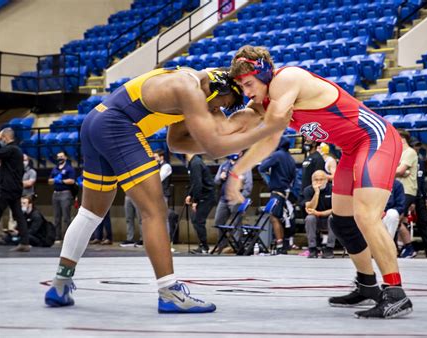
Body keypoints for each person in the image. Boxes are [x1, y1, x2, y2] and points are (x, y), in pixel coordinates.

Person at [44, 67, 272, 313]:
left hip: (94, 122)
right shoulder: (189, 90)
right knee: (155, 211)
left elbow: (176, 142)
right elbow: (216, 146)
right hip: (118, 125)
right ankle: (169, 292)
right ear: (218, 90)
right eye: (220, 105)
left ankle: (60, 284)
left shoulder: (193, 84)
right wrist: (263, 127)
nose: (217, 110)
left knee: (90, 214)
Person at [225, 45, 412, 318]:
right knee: (342, 222)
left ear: (265, 73)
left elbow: (269, 131)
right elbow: (245, 125)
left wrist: (238, 165)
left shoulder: (286, 79)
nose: (247, 92)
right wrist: (214, 121)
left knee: (366, 216)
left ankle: (396, 293)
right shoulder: (267, 101)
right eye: (241, 87)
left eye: (249, 84)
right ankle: (367, 285)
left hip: (375, 138)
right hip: (351, 149)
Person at [258, 137, 296, 254]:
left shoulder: (277, 155)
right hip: (287, 190)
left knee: (274, 217)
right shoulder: (291, 158)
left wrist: (269, 179)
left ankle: (279, 244)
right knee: (285, 218)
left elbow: (261, 167)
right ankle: (285, 243)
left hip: (277, 190)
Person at [213, 153, 253, 253]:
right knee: (218, 221)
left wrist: (241, 198)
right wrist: (220, 177)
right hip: (223, 198)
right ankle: (222, 244)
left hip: (236, 199)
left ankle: (236, 246)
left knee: (236, 224)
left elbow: (249, 185)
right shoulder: (224, 165)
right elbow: (216, 181)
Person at [0, 128, 30, 252]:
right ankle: (25, 242)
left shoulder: (11, 149)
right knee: (18, 215)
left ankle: (25, 243)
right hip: (15, 188)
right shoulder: (16, 150)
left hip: (7, 188)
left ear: (5, 137)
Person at [185, 153, 216, 254]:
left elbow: (198, 183)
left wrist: (195, 201)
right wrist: (190, 194)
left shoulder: (196, 163)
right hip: (203, 195)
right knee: (195, 219)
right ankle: (203, 245)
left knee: (198, 220)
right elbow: (194, 183)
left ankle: (204, 247)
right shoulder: (193, 162)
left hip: (206, 196)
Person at [395, 130, 418, 258]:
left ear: (402, 139)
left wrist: (389, 170)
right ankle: (407, 248)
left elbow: (400, 170)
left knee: (395, 220)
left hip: (407, 190)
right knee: (401, 221)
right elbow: (399, 171)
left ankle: (405, 247)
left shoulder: (409, 152)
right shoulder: (401, 153)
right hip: (400, 189)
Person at [303, 170, 336, 258]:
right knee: (309, 218)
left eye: (321, 179)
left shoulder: (333, 189)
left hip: (329, 218)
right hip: (316, 220)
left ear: (326, 180)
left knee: (333, 217)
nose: (319, 182)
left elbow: (336, 209)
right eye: (316, 180)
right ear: (312, 181)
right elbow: (310, 208)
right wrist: (316, 193)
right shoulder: (308, 190)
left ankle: (329, 248)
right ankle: (312, 248)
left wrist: (320, 213)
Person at [48, 151, 76, 241]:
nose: (59, 158)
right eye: (58, 156)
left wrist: (62, 181)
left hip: (65, 193)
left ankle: (68, 237)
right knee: (56, 217)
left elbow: (72, 180)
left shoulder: (69, 169)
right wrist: (54, 180)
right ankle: (57, 236)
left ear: (65, 157)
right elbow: (49, 181)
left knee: (66, 217)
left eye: (61, 156)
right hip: (55, 193)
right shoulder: (55, 169)